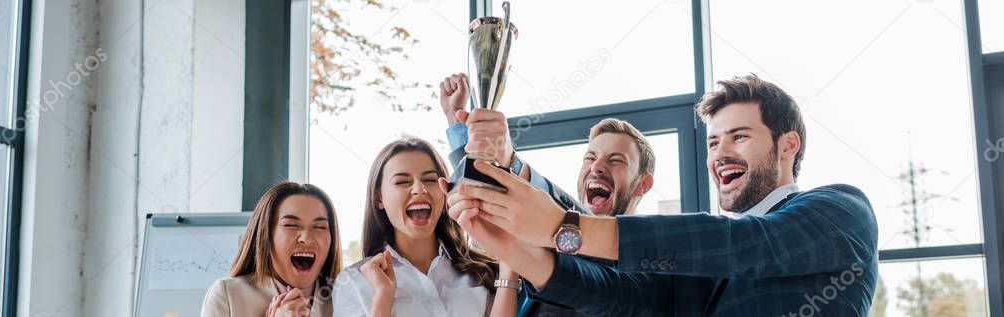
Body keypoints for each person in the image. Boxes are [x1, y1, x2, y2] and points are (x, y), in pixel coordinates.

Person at [450, 74, 879, 316]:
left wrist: (565, 229)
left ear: (788, 145)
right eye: (713, 143)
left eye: (739, 136)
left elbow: (746, 246)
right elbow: (623, 295)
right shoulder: (699, 263)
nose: (721, 154)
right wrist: (519, 252)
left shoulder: (842, 210)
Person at [438, 74, 705, 316]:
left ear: (643, 185)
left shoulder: (647, 263)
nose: (597, 167)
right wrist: (458, 123)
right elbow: (489, 196)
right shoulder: (545, 234)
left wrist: (513, 162)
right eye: (590, 157)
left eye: (615, 161)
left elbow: (583, 229)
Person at [332, 137, 518, 317]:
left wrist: (510, 263)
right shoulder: (353, 282)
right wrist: (383, 297)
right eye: (402, 182)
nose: (419, 189)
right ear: (379, 198)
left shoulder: (483, 271)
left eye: (430, 180)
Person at [201, 182, 343, 317]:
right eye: (290, 225)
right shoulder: (227, 295)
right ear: (266, 235)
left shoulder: (345, 298)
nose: (306, 238)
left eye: (319, 227)